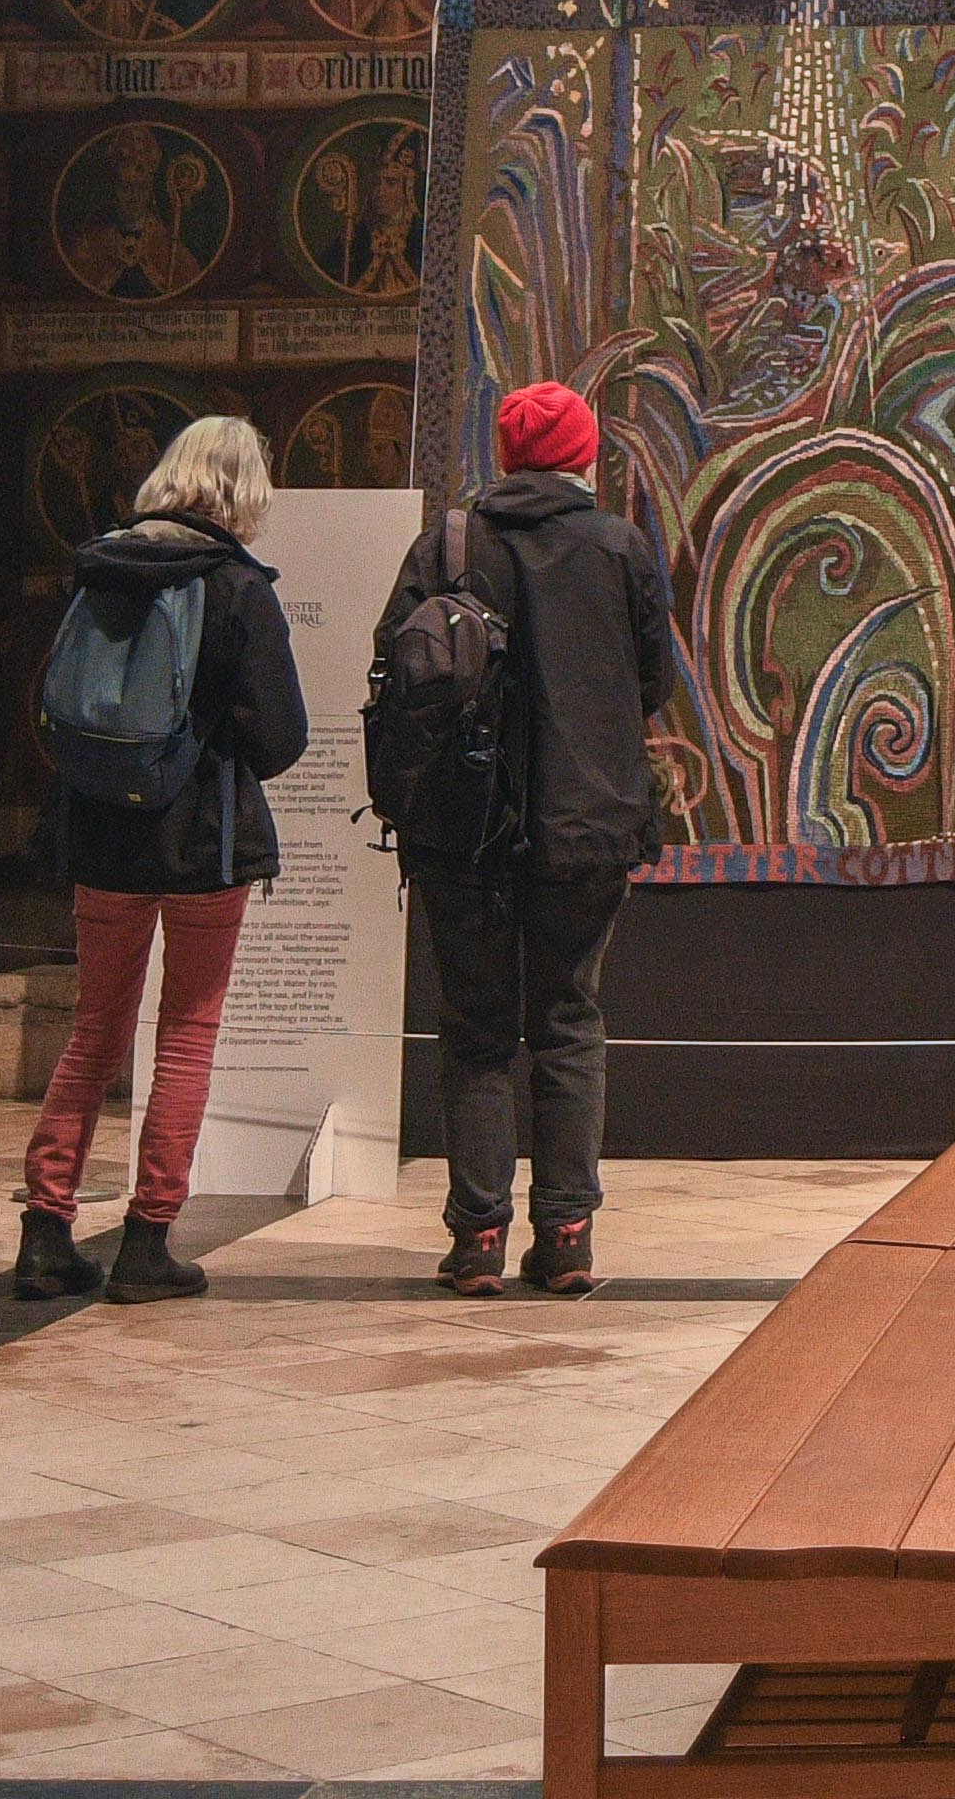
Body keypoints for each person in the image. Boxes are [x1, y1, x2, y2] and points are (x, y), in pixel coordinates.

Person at [13, 414, 310, 1304]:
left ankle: (44, 1230)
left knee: (93, 1032)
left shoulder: (97, 567)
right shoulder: (237, 588)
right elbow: (282, 737)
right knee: (185, 1034)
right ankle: (147, 1240)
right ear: (245, 490)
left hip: (101, 830)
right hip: (199, 840)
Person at [420, 379, 680, 1296]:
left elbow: (401, 669)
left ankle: (478, 1242)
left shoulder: (451, 541)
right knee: (568, 1021)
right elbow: (654, 683)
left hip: (464, 830)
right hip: (588, 824)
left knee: (477, 1030)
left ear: (505, 452)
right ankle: (566, 1237)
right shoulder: (618, 546)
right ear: (583, 454)